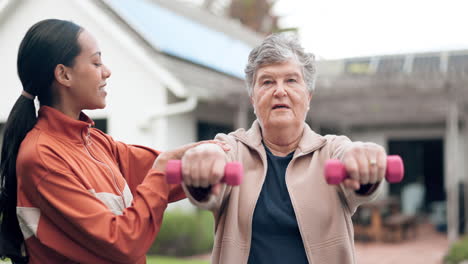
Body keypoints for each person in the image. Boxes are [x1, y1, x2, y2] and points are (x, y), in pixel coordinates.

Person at [0, 19, 215, 264]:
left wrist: (233, 151)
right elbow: (123, 242)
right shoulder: (41, 157)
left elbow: (176, 170)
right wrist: (162, 169)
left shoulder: (96, 143)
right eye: (96, 62)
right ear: (63, 74)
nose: (107, 71)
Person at [179, 33, 387, 264]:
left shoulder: (330, 150)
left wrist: (361, 157)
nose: (279, 91)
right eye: (267, 82)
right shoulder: (233, 149)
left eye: (291, 80)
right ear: (253, 98)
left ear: (308, 97)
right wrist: (205, 159)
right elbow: (217, 157)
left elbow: (348, 155)